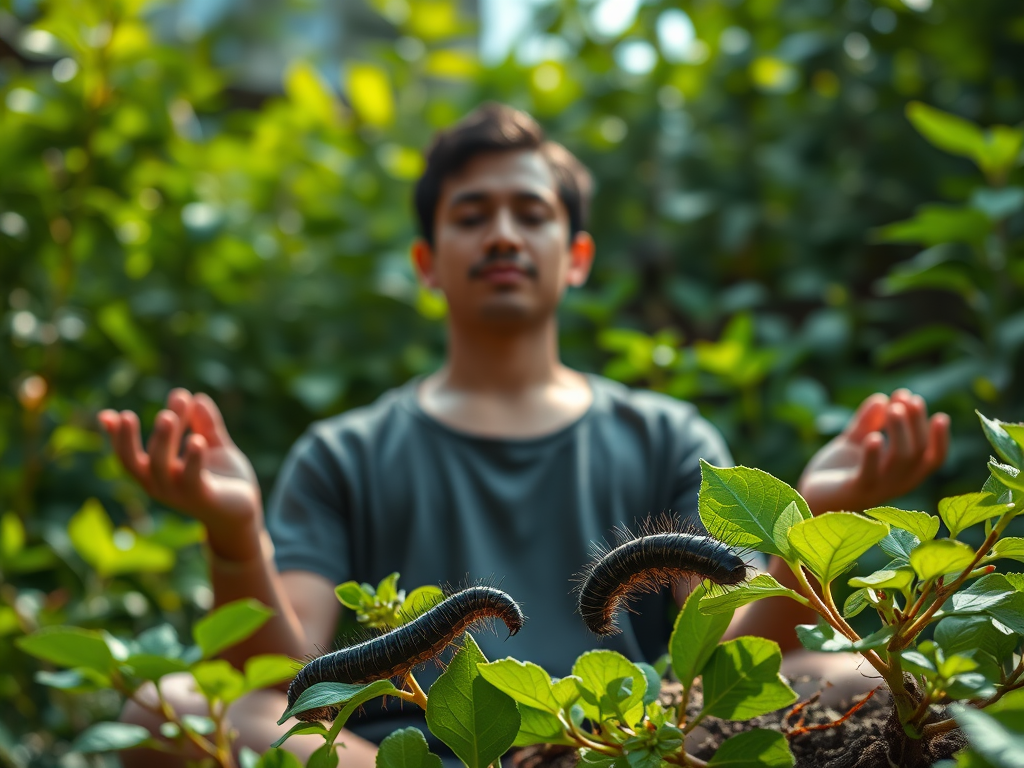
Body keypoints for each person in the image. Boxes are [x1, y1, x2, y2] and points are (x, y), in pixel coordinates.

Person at [98, 103, 949, 767]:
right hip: (399, 759)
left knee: (895, 679)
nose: (503, 232)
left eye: (529, 212)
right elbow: (283, 688)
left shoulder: (665, 435)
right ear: (427, 261)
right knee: (168, 709)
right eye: (472, 214)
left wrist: (811, 524)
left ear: (574, 255)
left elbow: (731, 662)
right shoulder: (343, 455)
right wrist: (232, 532)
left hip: (631, 744)